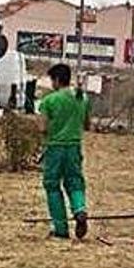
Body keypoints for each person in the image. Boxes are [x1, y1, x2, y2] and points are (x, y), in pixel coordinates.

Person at [39, 63, 91, 240]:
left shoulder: (49, 101)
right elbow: (87, 124)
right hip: (74, 147)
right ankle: (79, 209)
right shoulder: (82, 98)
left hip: (55, 148)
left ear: (57, 80)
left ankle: (61, 228)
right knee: (75, 181)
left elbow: (43, 127)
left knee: (52, 186)